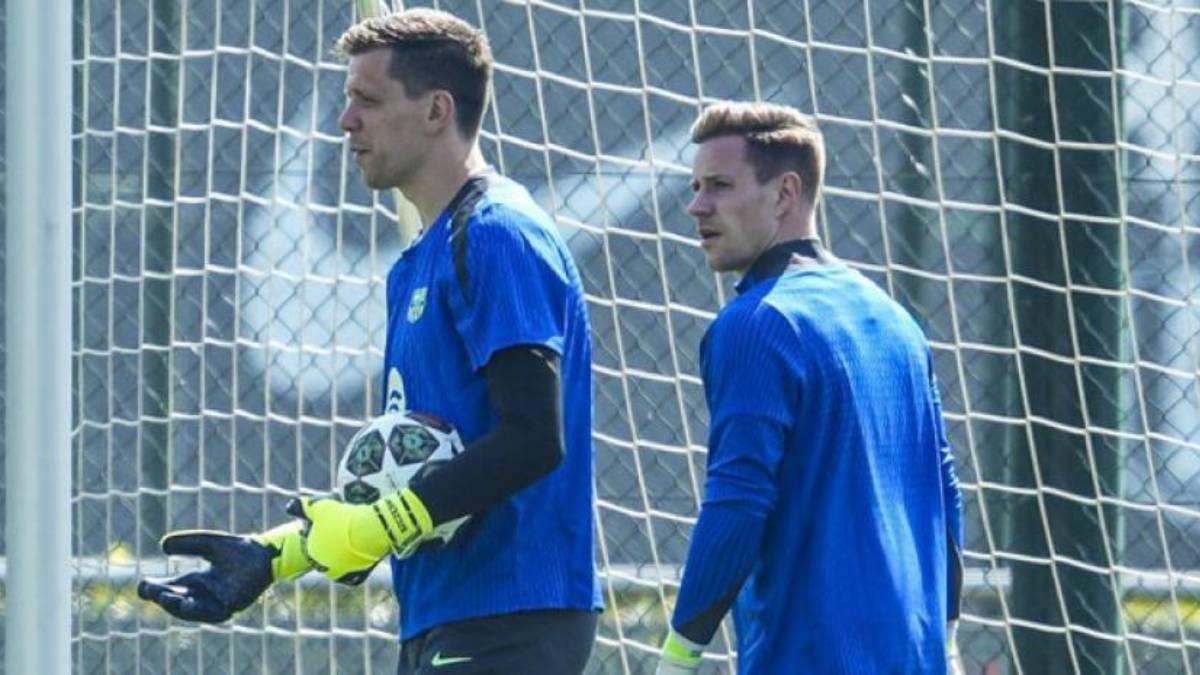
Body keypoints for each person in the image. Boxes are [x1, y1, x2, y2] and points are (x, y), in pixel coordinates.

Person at [138, 9, 602, 674]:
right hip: (446, 611)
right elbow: (420, 464)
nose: (345, 121)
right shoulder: (417, 259)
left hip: (512, 614)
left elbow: (534, 435)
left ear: (438, 110)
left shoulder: (499, 233)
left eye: (368, 100)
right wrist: (276, 555)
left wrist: (382, 524)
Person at [655, 102, 964, 674]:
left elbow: (738, 504)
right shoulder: (895, 321)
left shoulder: (755, 325)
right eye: (696, 186)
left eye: (719, 186)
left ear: (785, 193)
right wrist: (945, 642)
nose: (697, 206)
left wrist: (677, 656)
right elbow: (945, 495)